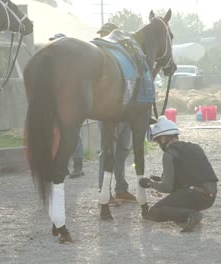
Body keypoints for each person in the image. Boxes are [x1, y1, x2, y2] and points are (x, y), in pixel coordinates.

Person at [139, 116, 218, 232]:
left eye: (158, 141)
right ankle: (187, 215)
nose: (159, 145)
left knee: (153, 212)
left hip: (194, 195)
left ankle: (190, 215)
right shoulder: (195, 147)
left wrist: (150, 184)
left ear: (163, 139)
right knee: (176, 200)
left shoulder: (170, 154)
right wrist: (159, 179)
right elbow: (191, 173)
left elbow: (167, 187)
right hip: (210, 197)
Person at [97, 22, 136, 203]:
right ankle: (104, 191)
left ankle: (121, 188)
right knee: (107, 153)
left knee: (122, 153)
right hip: (108, 114)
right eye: (103, 34)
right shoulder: (98, 61)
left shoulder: (125, 59)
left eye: (107, 34)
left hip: (126, 113)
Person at [48, 33, 85, 179]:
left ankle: (78, 166)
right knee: (58, 135)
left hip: (73, 105)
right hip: (57, 105)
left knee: (75, 135)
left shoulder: (74, 64)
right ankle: (62, 165)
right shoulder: (52, 65)